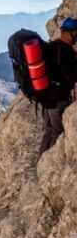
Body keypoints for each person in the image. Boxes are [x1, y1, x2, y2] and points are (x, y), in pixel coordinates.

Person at [40, 16, 77, 155]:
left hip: (46, 98)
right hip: (58, 100)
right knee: (57, 134)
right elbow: (71, 76)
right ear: (69, 31)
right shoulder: (66, 51)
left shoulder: (54, 45)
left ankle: (41, 163)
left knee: (47, 132)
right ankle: (48, 168)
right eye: (76, 32)